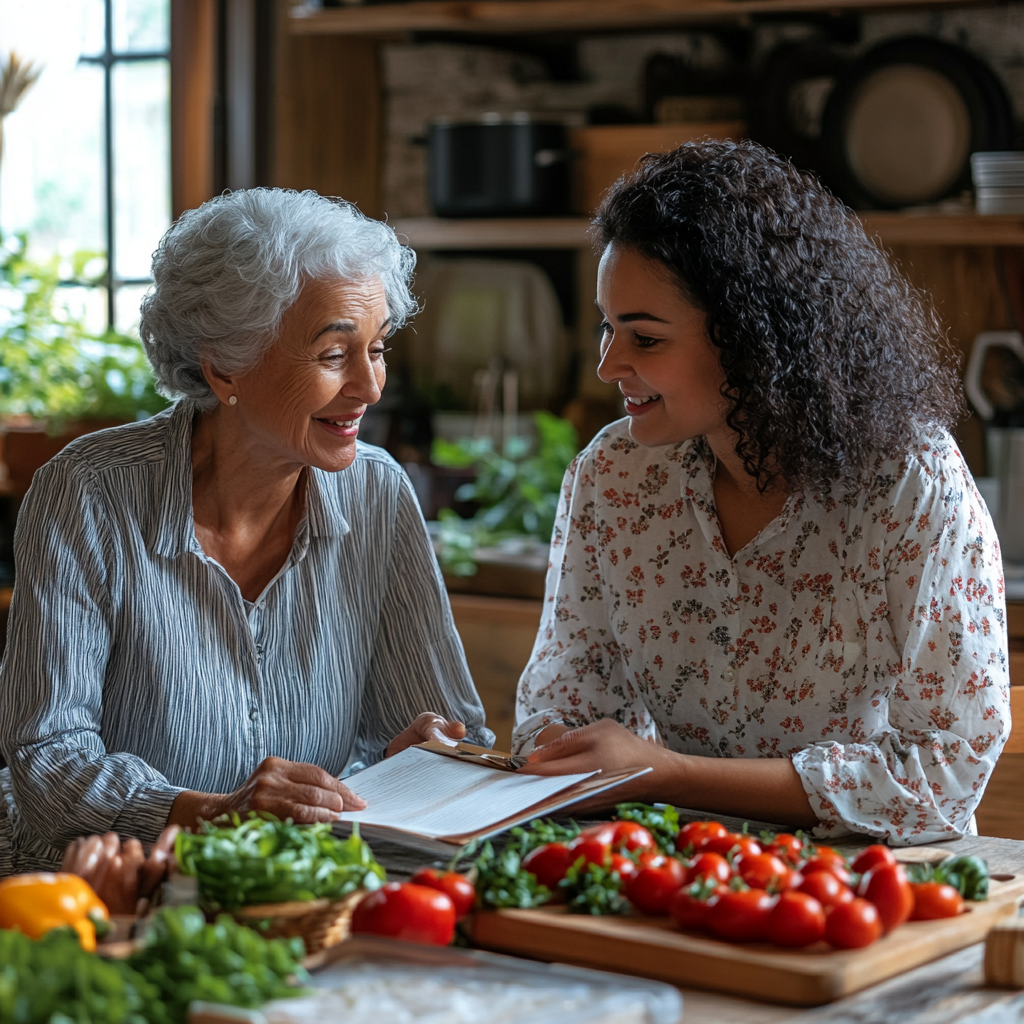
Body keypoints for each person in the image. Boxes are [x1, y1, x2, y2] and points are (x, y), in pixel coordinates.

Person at [515, 139, 1010, 845]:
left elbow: (943, 776)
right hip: (680, 862)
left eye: (645, 339)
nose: (607, 365)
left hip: (867, 878)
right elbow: (565, 696)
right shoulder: (615, 474)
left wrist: (667, 774)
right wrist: (560, 745)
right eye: (607, 327)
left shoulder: (909, 481)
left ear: (750, 338)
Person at [0, 188, 492, 876]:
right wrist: (215, 813)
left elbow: (447, 734)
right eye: (334, 354)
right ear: (225, 364)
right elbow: (47, 759)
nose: (370, 386)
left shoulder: (378, 493)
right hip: (94, 889)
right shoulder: (90, 492)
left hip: (293, 889)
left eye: (377, 348)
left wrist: (421, 756)